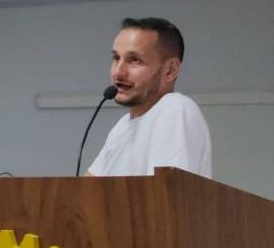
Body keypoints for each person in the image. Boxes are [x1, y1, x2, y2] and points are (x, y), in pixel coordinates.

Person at [87, 17, 212, 178]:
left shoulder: (175, 109)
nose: (118, 72)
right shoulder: (122, 126)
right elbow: (84, 187)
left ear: (170, 70)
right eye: (116, 58)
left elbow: (164, 189)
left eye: (134, 60)